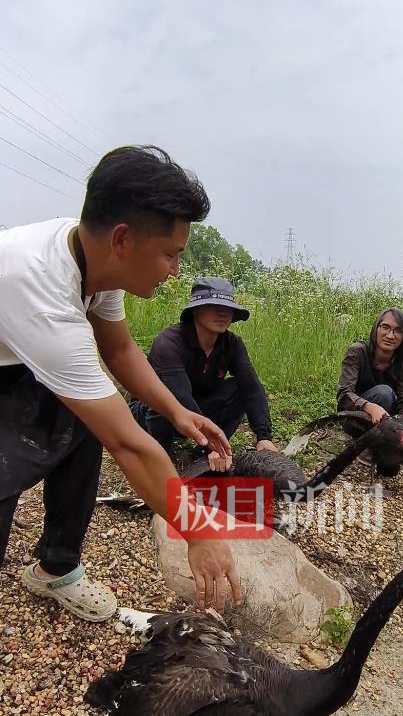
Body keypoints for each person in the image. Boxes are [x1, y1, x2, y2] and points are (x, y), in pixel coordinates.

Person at [0, 145, 239, 621]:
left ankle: (56, 567)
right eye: (170, 255)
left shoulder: (96, 261)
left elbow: (121, 351)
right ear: (123, 239)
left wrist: (177, 412)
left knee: (87, 419)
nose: (175, 271)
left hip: (17, 353)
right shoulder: (39, 288)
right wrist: (197, 529)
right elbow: (128, 444)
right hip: (13, 353)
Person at [130, 276, 278, 469]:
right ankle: (162, 456)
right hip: (156, 412)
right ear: (195, 310)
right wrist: (211, 442)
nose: (222, 313)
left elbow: (251, 387)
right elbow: (180, 396)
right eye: (213, 306)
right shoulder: (169, 342)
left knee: (238, 387)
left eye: (228, 308)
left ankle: (206, 451)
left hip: (198, 407)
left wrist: (264, 437)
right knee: (163, 398)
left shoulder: (232, 344)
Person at [337, 307, 403, 462]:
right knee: (384, 392)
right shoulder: (358, 352)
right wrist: (370, 407)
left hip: (389, 417)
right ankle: (371, 446)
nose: (390, 335)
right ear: (376, 329)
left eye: (398, 331)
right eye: (385, 327)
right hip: (356, 418)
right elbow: (344, 394)